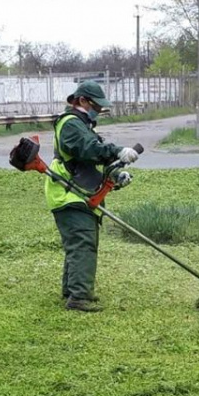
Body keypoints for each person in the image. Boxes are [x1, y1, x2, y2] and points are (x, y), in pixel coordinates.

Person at [45, 80, 140, 312]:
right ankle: (78, 298)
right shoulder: (70, 124)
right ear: (82, 101)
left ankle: (72, 290)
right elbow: (89, 150)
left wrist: (117, 175)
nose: (98, 110)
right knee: (83, 244)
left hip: (78, 193)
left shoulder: (82, 125)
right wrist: (117, 151)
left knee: (78, 246)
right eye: (96, 106)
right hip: (68, 193)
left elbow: (89, 162)